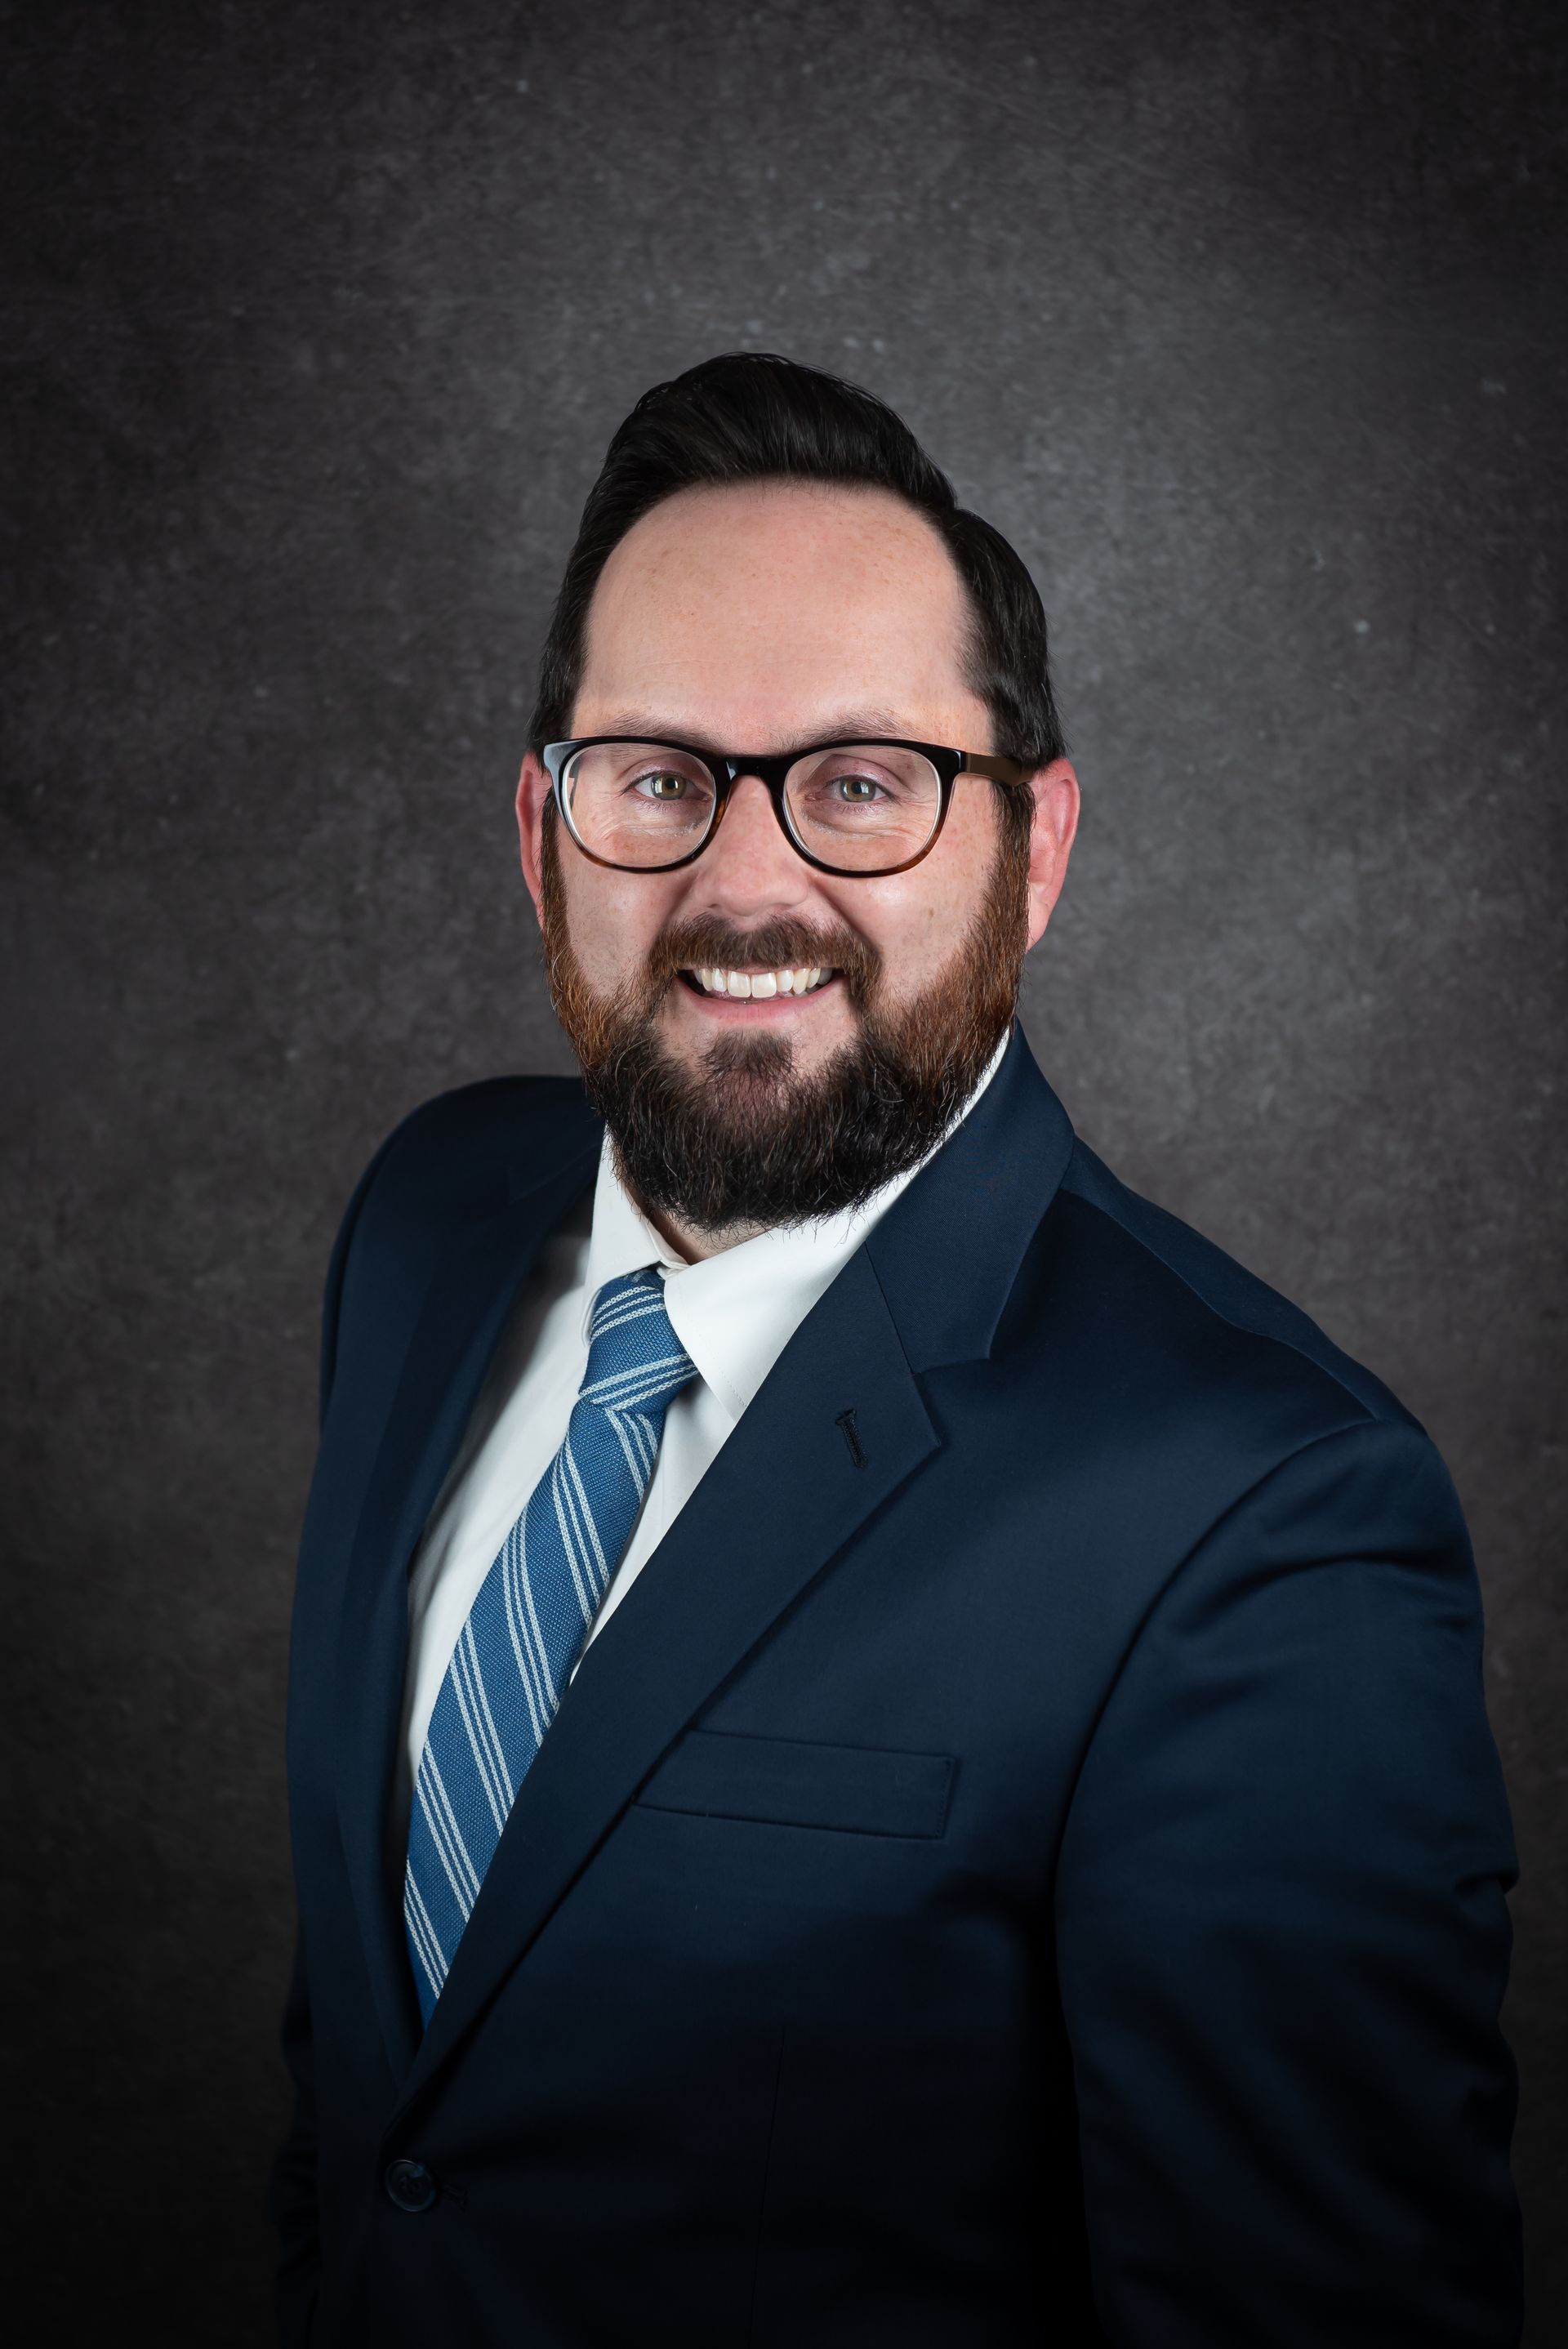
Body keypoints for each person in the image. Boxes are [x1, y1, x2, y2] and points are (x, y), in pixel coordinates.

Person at [272, 354, 1521, 2347]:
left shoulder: (1262, 1520)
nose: (747, 883)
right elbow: (376, 2107)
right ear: (541, 829)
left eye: (863, 782)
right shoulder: (424, 1230)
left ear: (1033, 847)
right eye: (659, 776)